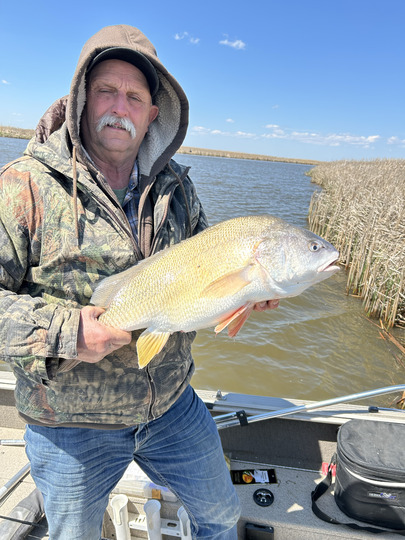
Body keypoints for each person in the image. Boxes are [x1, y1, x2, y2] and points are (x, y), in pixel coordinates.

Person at [0, 24, 278, 539]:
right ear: (82, 98)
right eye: (106, 90)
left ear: (153, 114)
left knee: (220, 517)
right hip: (69, 426)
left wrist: (248, 288)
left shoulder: (178, 188)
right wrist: (67, 333)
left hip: (171, 405)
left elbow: (209, 264)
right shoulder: (23, 187)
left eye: (134, 96)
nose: (119, 106)